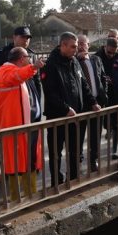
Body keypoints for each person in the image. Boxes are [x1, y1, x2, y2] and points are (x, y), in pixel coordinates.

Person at [41, 32, 100, 186]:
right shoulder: (51, 65)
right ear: (63, 45)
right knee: (56, 152)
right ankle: (56, 181)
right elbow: (50, 92)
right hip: (58, 117)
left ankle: (73, 179)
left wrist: (93, 102)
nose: (76, 49)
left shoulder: (74, 61)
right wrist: (65, 108)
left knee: (74, 151)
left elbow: (83, 84)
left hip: (76, 116)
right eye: (73, 46)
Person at [0, 47, 45, 201]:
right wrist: (34, 67)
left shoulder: (23, 73)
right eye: (28, 57)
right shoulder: (5, 70)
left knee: (29, 162)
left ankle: (31, 195)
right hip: (14, 128)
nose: (29, 59)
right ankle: (16, 199)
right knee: (15, 164)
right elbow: (14, 77)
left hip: (27, 126)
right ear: (21, 58)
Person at [77, 35, 108, 172]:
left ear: (89, 45)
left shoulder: (96, 59)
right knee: (79, 134)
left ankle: (93, 159)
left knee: (95, 134)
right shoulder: (74, 61)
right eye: (79, 43)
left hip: (97, 103)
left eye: (84, 43)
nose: (81, 46)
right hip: (82, 105)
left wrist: (104, 94)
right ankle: (78, 160)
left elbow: (103, 78)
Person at [94, 38, 118, 159]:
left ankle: (114, 149)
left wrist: (114, 80)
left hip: (115, 94)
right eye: (109, 52)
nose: (111, 55)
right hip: (100, 96)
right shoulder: (96, 57)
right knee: (99, 125)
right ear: (105, 47)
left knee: (116, 123)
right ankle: (95, 153)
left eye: (114, 52)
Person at [0, 26, 39, 97]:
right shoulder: (3, 54)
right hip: (11, 97)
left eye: (28, 38)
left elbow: (36, 80)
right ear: (14, 37)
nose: (26, 40)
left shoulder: (31, 54)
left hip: (29, 98)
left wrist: (38, 98)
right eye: (23, 37)